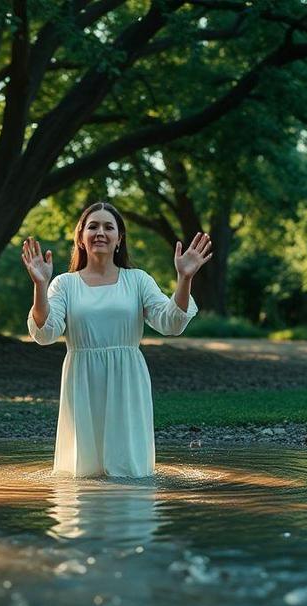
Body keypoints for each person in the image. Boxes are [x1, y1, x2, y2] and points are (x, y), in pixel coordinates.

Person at [22, 201, 213, 478]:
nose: (100, 232)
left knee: (129, 469)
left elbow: (170, 323)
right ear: (81, 238)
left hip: (127, 378)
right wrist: (40, 285)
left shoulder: (138, 280)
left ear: (119, 239)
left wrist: (185, 278)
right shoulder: (64, 284)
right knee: (83, 472)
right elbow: (45, 332)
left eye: (108, 227)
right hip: (82, 378)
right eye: (93, 226)